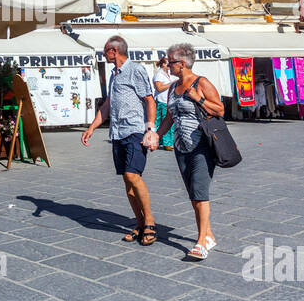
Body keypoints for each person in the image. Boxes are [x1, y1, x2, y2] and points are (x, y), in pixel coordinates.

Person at [82, 35, 159, 245]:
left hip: (134, 130)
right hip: (117, 132)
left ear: (114, 51)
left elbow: (149, 100)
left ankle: (150, 221)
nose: (103, 54)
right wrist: (92, 128)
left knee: (132, 175)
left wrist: (150, 129)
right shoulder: (114, 74)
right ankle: (140, 222)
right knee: (127, 180)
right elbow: (107, 105)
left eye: (105, 50)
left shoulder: (136, 70)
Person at [152, 43, 222, 261]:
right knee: (193, 195)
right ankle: (208, 234)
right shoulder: (172, 88)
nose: (167, 65)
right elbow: (170, 117)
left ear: (181, 64)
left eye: (170, 62)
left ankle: (201, 242)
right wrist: (157, 134)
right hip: (181, 147)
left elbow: (219, 109)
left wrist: (198, 98)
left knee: (201, 193)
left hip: (201, 145)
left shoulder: (202, 83)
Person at [152, 55, 174, 149]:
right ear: (163, 64)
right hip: (162, 101)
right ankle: (167, 143)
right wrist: (171, 84)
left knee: (163, 121)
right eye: (167, 63)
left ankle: (160, 141)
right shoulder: (159, 74)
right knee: (165, 121)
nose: (169, 65)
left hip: (167, 100)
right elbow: (159, 88)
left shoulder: (167, 74)